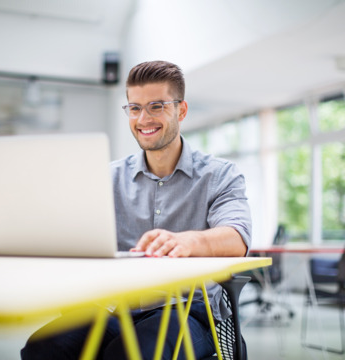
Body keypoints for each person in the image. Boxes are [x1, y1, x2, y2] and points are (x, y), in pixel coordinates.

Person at [21, 60, 251, 360]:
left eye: (156, 106)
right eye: (135, 108)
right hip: (117, 308)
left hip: (188, 310)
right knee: (43, 348)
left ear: (180, 110)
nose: (144, 118)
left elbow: (237, 239)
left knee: (133, 353)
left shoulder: (220, 175)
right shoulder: (108, 177)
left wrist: (187, 242)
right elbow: (77, 233)